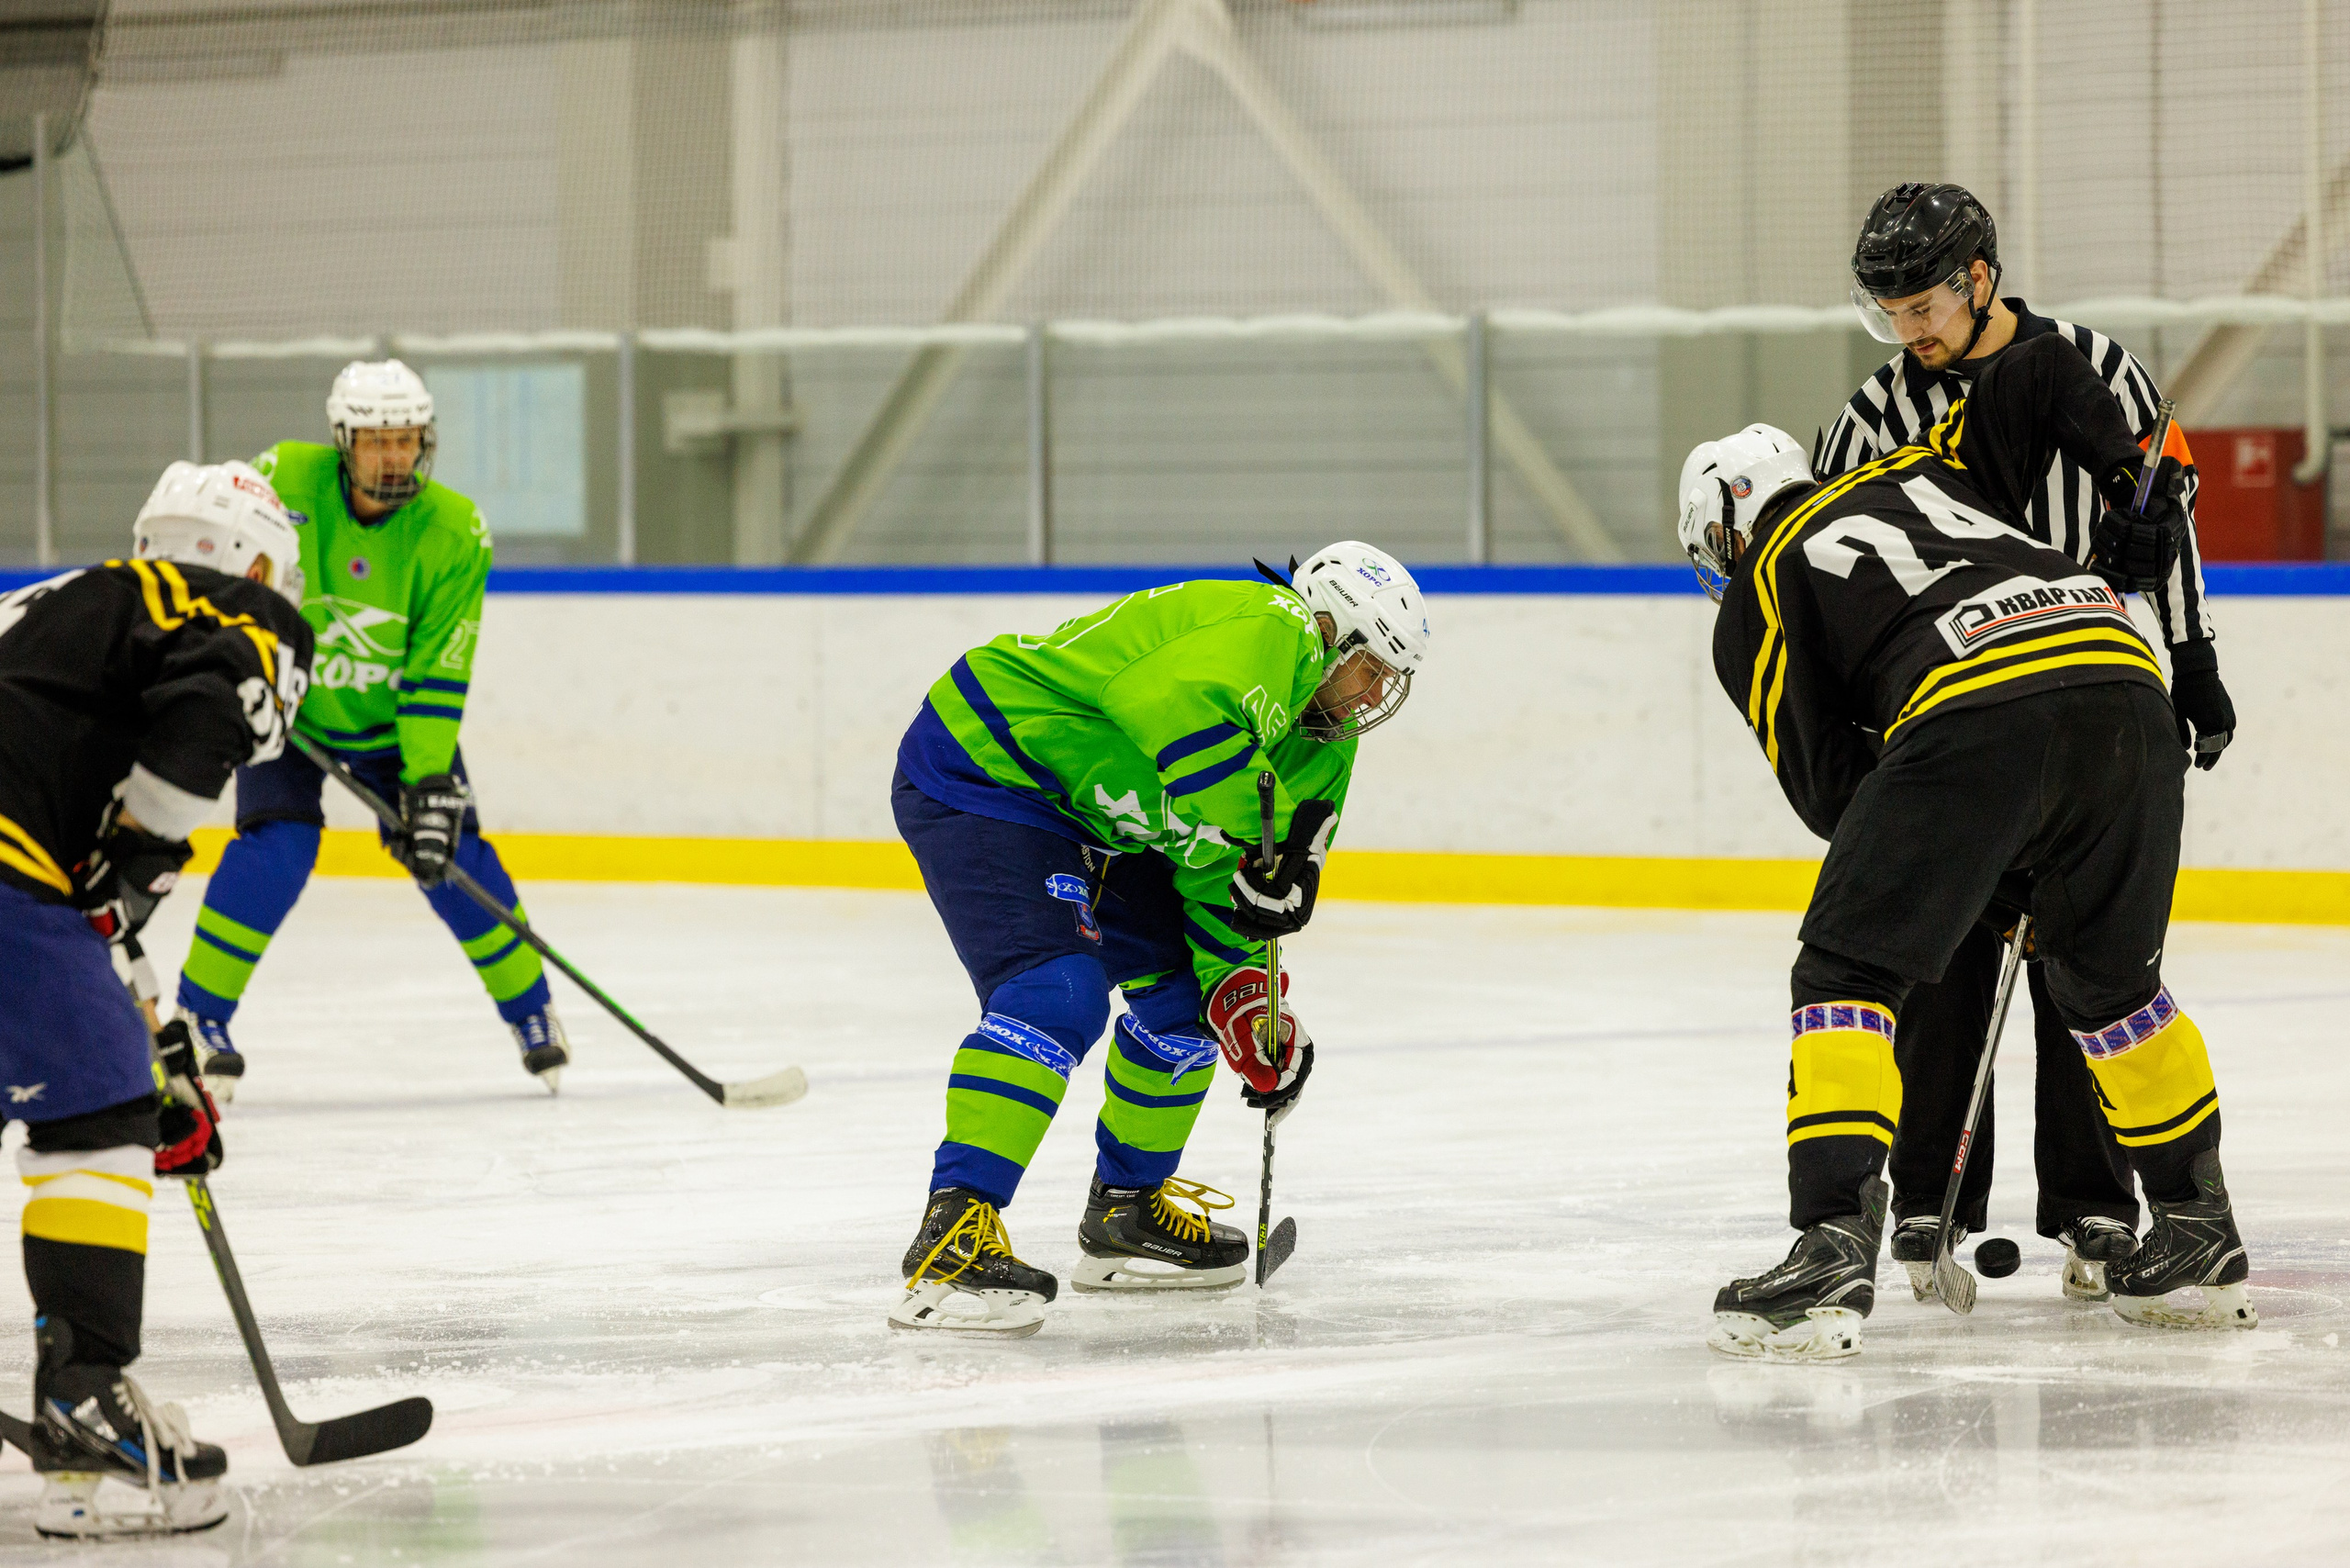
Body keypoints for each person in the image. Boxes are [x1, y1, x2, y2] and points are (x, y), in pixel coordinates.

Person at [1680, 331, 2255, 1361]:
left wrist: (1972, 871)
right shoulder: (1922, 466)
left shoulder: (1760, 585)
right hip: (2126, 684)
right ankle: (2197, 1231)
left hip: (1974, 708)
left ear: (1723, 529)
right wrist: (2128, 473)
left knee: (1845, 968)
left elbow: (1838, 797)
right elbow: (2038, 370)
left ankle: (1830, 1245)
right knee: (2111, 989)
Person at [1818, 183, 2237, 1302]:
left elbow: (2168, 516)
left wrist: (2191, 659)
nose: (1907, 331)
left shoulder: (2096, 369)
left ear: (1980, 279)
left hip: (2090, 690)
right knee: (1942, 948)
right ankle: (1926, 1198)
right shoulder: (1870, 414)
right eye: (1888, 313)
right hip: (1947, 715)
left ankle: (2095, 1202)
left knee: (2085, 955)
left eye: (1922, 307)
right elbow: (1841, 562)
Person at [886, 544, 1428, 1336]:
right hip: (991, 767)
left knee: (1185, 1010)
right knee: (1057, 993)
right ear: (1328, 631)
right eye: (1370, 668)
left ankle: (1125, 1211)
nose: (1373, 695)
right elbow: (1172, 707)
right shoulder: (1269, 621)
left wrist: (1247, 1001)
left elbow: (1223, 879)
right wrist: (1271, 835)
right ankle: (953, 1235)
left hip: (1102, 820)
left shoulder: (1323, 750)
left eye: (1388, 681)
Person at [0, 462, 314, 1535]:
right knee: (95, 1109)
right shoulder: (221, 604)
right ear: (255, 565)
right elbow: (216, 702)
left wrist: (137, 1038)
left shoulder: (51, 604)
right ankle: (85, 1402)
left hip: (20, 877)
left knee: (89, 1071)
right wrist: (142, 849)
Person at [172, 360, 569, 1099]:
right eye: (377, 441)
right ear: (343, 441)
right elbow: (219, 562)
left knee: (452, 858)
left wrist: (427, 780)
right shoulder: (283, 481)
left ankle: (532, 1010)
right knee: (279, 848)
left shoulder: (455, 531)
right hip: (291, 712)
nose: (394, 457)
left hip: (393, 728)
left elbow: (438, 669)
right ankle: (200, 1016)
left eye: (406, 439)